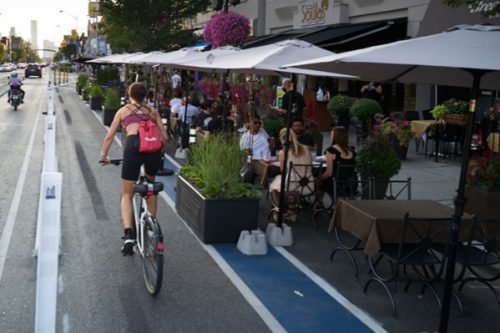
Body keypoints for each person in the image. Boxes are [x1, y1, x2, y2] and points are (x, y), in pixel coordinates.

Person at [99, 82, 168, 255]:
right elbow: (165, 137)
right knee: (151, 188)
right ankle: (152, 227)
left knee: (127, 193)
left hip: (133, 147)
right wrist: (158, 151)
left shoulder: (123, 111)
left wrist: (104, 155)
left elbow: (110, 135)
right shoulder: (152, 112)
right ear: (146, 95)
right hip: (153, 149)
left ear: (129, 94)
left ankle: (129, 235)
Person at [269, 127, 313, 221]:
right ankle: (292, 211)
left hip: (293, 185)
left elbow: (283, 171)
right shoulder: (306, 148)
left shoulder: (283, 152)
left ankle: (278, 211)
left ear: (282, 139)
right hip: (308, 185)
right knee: (286, 183)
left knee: (275, 186)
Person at [316, 126, 356, 211]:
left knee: (319, 179)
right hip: (350, 183)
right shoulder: (352, 150)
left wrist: (317, 179)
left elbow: (329, 173)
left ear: (335, 136)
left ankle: (318, 204)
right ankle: (318, 204)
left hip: (335, 183)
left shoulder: (331, 150)